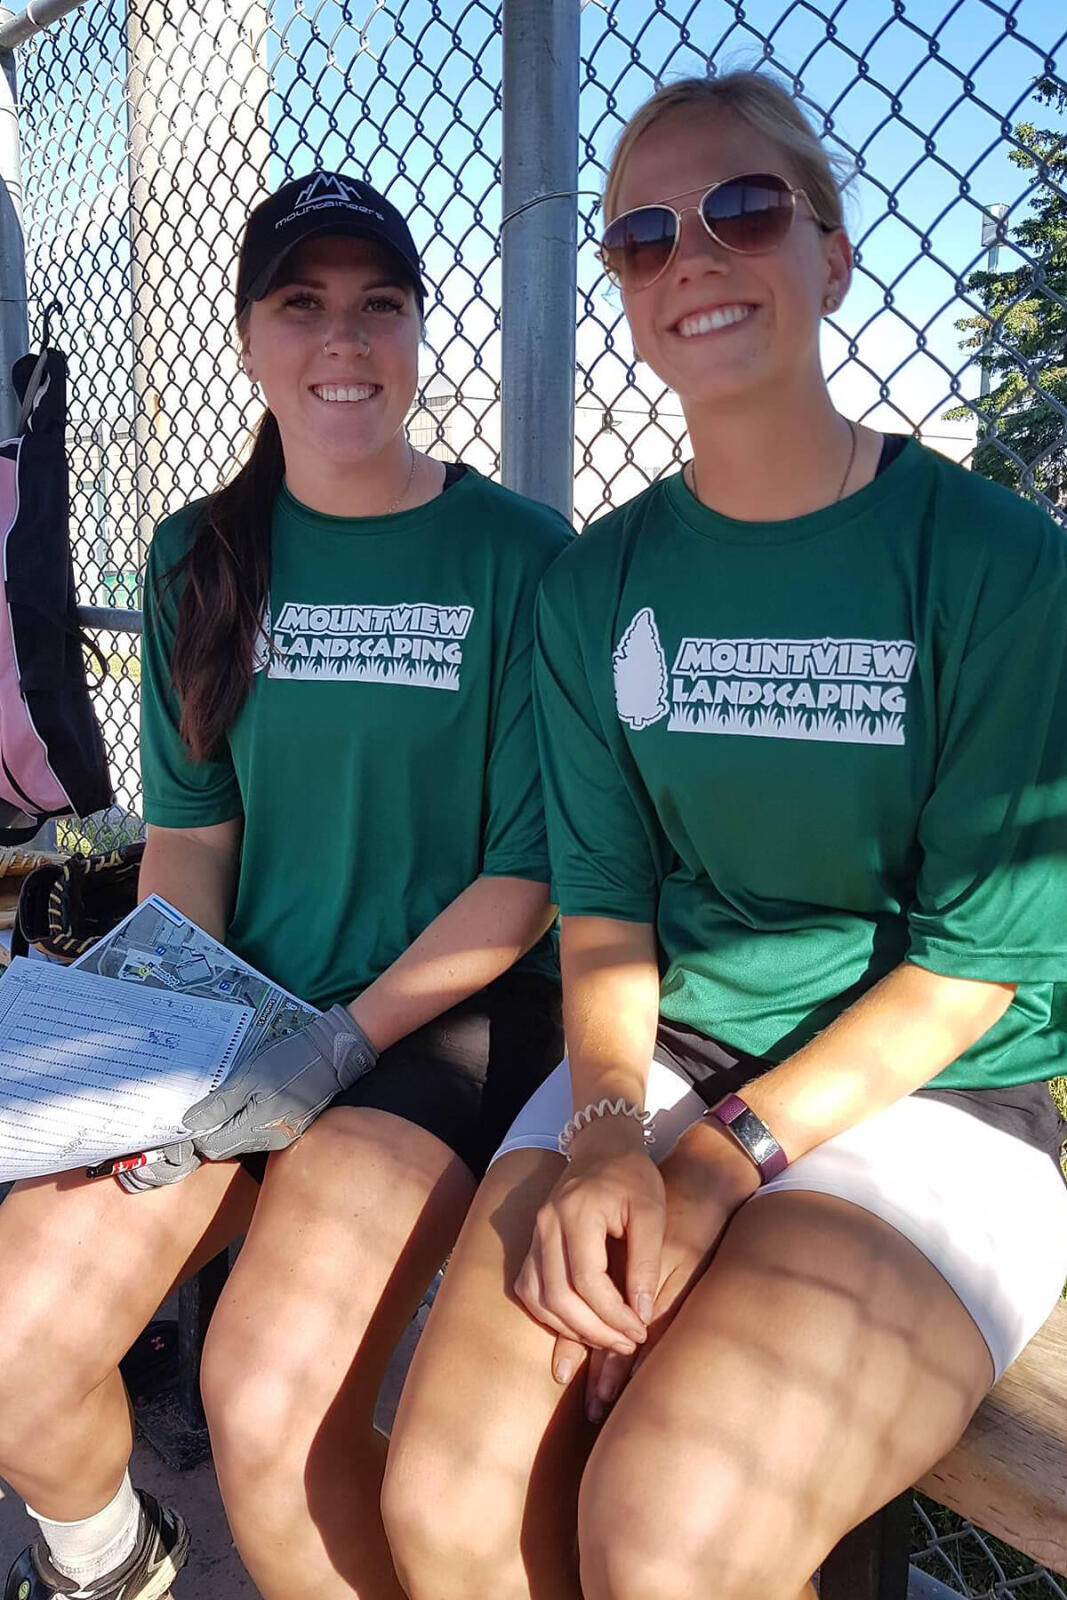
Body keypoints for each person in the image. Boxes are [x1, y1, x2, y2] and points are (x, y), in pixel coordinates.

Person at [381, 72, 1067, 1600]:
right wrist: (617, 1138)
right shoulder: (597, 588)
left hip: (936, 1096)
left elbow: (977, 972)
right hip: (671, 1056)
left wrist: (719, 1172)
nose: (690, 253)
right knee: (444, 1505)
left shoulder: (1000, 566)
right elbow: (611, 910)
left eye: (742, 209)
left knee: (670, 1533)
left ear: (832, 253)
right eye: (639, 234)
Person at [0, 172, 570, 1600]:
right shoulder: (201, 552)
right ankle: (107, 1562)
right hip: (238, 1013)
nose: (343, 341)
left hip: (443, 1016)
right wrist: (133, 1027)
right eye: (301, 304)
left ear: (420, 334)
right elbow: (194, 846)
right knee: (16, 1340)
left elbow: (527, 884)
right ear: (252, 339)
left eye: (379, 305)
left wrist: (338, 1044)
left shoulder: (521, 559)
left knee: (272, 1400)